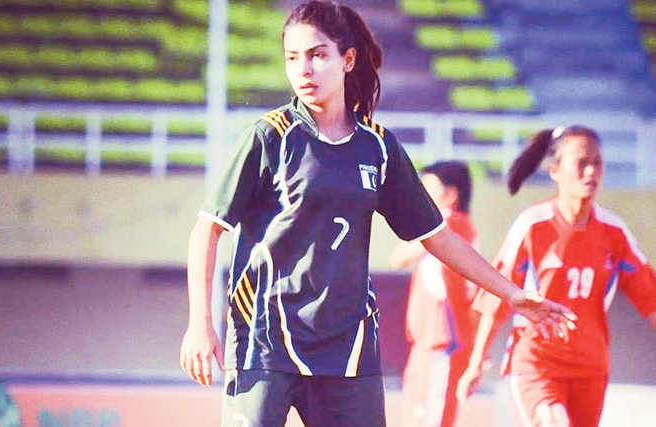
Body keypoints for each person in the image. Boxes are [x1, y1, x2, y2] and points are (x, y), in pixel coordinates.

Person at [179, 2, 575, 427]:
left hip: (348, 347)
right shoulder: (269, 137)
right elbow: (207, 230)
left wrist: (511, 294)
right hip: (265, 341)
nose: (304, 70)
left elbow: (437, 236)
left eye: (317, 55)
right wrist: (199, 322)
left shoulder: (378, 147)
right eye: (292, 58)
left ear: (348, 59)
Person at [456, 126, 656, 427]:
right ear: (555, 171)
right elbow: (496, 296)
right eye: (581, 162)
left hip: (591, 368)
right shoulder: (533, 226)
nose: (591, 171)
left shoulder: (615, 233)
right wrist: (475, 363)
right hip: (536, 363)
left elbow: (650, 297)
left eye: (597, 162)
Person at [391, 161, 480, 427]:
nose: (420, 193)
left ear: (451, 194)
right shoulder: (449, 225)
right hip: (427, 342)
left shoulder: (449, 223)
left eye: (428, 187)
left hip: (443, 340)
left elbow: (399, 258)